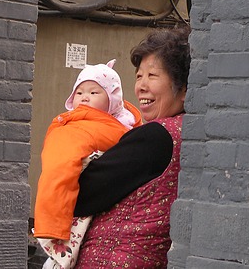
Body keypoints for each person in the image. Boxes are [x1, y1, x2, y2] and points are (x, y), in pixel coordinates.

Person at [73, 26, 191, 268]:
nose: (141, 86)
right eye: (139, 76)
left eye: (153, 76)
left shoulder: (155, 137)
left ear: (183, 89)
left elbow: (80, 194)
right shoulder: (189, 133)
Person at [32, 59, 142, 268]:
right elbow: (60, 168)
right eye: (79, 92)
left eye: (94, 93)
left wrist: (51, 225)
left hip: (77, 214)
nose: (84, 98)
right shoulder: (126, 126)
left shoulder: (75, 130)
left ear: (113, 100)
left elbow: (57, 170)